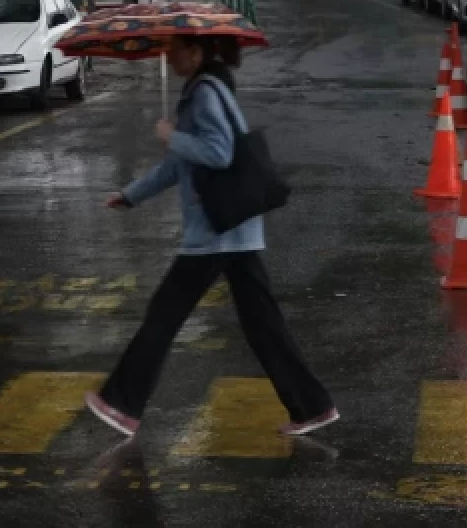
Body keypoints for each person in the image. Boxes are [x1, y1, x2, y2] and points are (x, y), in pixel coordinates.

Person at [84, 34, 339, 438]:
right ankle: (312, 407)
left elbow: (218, 153)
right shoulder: (203, 90)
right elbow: (177, 166)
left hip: (216, 229)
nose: (167, 57)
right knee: (262, 325)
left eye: (173, 49)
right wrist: (131, 195)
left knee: (164, 315)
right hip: (233, 230)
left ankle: (121, 404)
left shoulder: (204, 93)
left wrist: (173, 135)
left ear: (195, 52)